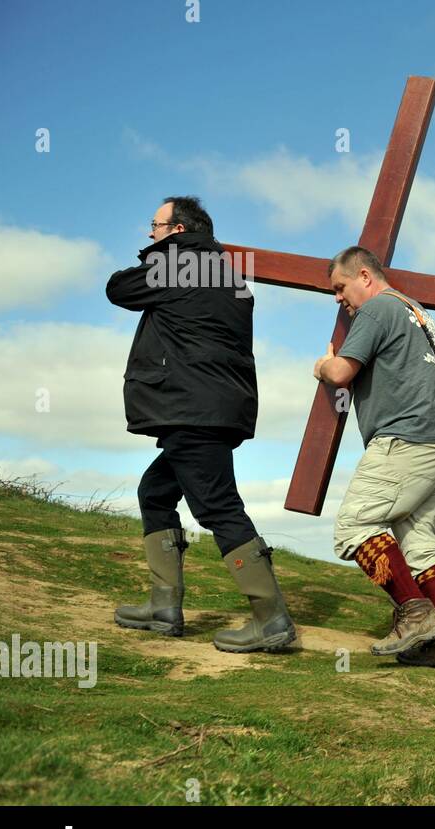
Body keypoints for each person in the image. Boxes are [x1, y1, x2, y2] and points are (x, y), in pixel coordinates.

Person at [109, 196, 297, 653]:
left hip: (189, 408)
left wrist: (164, 255)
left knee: (218, 507)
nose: (148, 235)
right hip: (216, 410)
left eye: (154, 226)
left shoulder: (179, 267)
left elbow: (118, 289)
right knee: (155, 492)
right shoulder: (231, 278)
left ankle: (270, 618)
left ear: (177, 231)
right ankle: (163, 606)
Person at [316, 246, 435, 670]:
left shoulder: (378, 309)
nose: (338, 298)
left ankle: (415, 614)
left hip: (407, 439)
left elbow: (343, 372)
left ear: (364, 275)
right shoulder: (416, 310)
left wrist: (323, 365)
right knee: (421, 544)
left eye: (340, 287)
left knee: (354, 525)